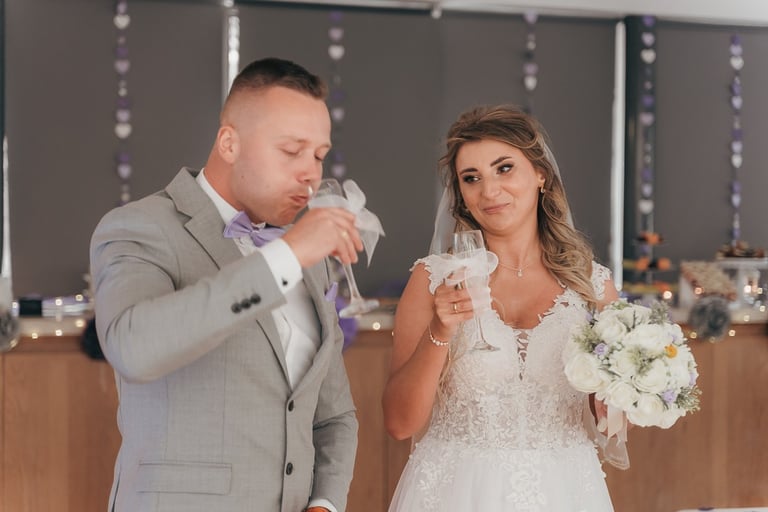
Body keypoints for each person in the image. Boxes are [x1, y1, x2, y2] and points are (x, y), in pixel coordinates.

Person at [90, 57, 360, 512]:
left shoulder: (310, 261)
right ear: (229, 143)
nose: (311, 174)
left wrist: (325, 503)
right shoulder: (139, 226)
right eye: (291, 151)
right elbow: (133, 349)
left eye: (318, 155)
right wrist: (286, 256)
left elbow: (333, 413)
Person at [382, 104, 621, 511]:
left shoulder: (592, 286)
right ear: (461, 194)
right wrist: (440, 330)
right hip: (456, 492)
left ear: (540, 174)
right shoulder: (433, 279)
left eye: (504, 169)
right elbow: (399, 424)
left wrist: (616, 402)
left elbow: (611, 424)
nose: (489, 191)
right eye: (471, 178)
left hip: (564, 492)